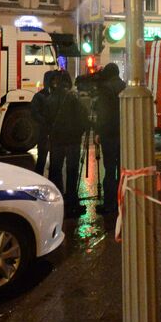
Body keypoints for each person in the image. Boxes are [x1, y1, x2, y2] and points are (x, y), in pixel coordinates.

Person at [45, 71, 89, 216]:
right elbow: (83, 118)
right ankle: (71, 201)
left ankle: (57, 201)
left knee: (56, 170)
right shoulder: (72, 98)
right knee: (72, 171)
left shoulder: (50, 98)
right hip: (72, 141)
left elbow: (46, 119)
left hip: (56, 141)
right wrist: (80, 132)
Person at [93, 64, 125, 215]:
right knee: (122, 169)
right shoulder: (125, 86)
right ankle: (121, 201)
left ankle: (109, 204)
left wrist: (98, 131)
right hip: (123, 134)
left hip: (109, 135)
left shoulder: (105, 88)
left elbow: (103, 113)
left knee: (110, 169)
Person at [31, 69, 60, 177]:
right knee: (42, 159)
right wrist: (45, 122)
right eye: (53, 80)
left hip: (54, 133)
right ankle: (39, 180)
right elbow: (34, 113)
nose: (55, 83)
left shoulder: (56, 95)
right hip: (44, 133)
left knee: (55, 161)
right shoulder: (40, 96)